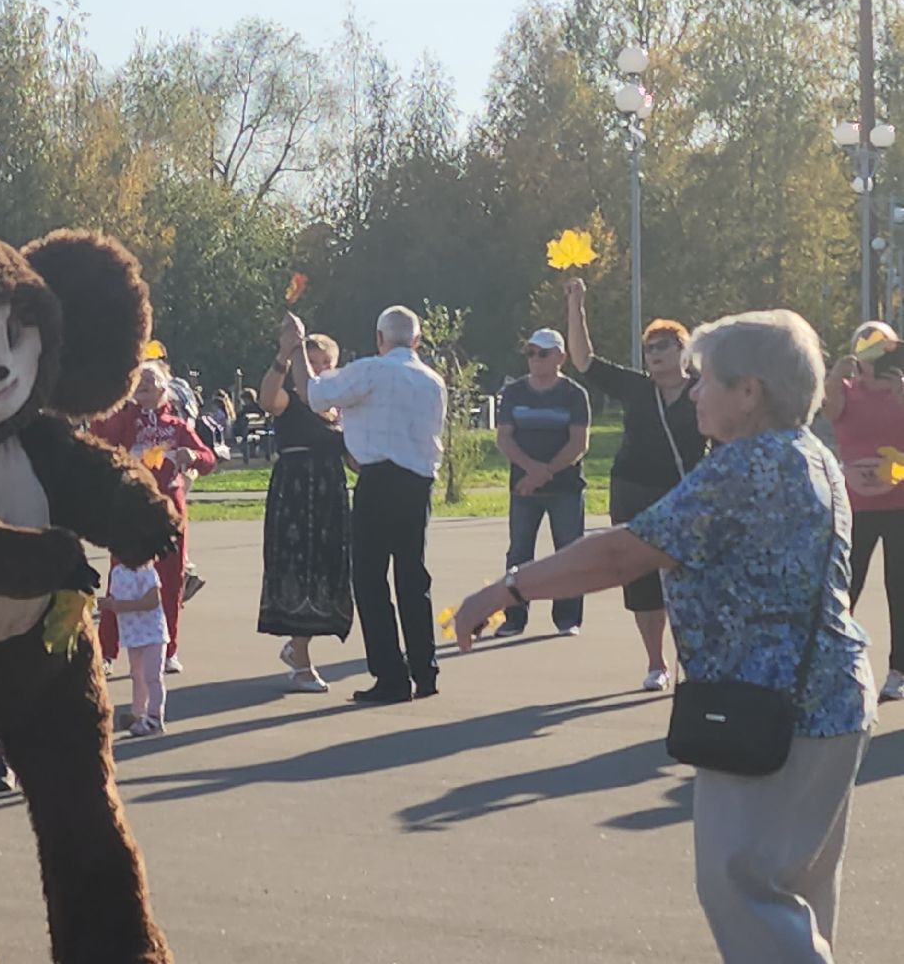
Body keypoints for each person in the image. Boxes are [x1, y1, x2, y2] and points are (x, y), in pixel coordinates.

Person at [455, 309, 876, 963]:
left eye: (707, 379)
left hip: (769, 713)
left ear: (749, 392)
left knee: (742, 889)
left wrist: (506, 589)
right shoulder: (811, 455)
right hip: (831, 702)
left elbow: (623, 553)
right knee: (795, 888)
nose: (695, 391)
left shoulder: (746, 465)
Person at [287, 305, 446, 705]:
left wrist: (297, 347)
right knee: (413, 576)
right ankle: (425, 669)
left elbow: (311, 394)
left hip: (378, 480)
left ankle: (391, 676)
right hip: (418, 482)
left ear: (379, 339)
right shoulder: (433, 382)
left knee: (372, 581)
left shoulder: (370, 371)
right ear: (417, 341)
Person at [564, 277, 706, 691]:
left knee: (689, 578)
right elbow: (584, 360)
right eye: (649, 348)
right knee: (641, 578)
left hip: (684, 496)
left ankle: (696, 661)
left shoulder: (703, 391)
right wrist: (576, 305)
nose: (655, 353)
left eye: (664, 345)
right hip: (633, 492)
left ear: (684, 350)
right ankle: (656, 663)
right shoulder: (636, 387)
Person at [90, 359, 218, 673]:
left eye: (152, 378)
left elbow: (208, 459)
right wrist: (118, 404)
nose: (145, 382)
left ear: (165, 387)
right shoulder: (124, 419)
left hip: (170, 513)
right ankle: (106, 653)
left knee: (171, 583)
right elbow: (99, 436)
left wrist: (193, 456)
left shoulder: (177, 426)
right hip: (130, 511)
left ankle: (168, 650)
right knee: (121, 580)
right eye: (139, 378)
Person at [257, 329, 353, 694]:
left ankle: (297, 649)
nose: (318, 370)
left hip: (329, 493)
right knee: (299, 569)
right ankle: (300, 661)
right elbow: (267, 399)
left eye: (326, 363)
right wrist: (283, 355)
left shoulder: (339, 408)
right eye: (311, 362)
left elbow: (353, 457)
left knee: (324, 569)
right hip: (295, 492)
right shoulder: (292, 400)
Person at [821, 320, 904, 702]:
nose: (875, 358)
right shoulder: (845, 390)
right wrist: (833, 378)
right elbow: (829, 412)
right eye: (867, 348)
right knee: (844, 586)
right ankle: (834, 662)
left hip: (900, 503)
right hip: (855, 505)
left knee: (899, 587)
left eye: (884, 349)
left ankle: (899, 670)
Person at [494, 327, 591, 637]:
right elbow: (504, 438)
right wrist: (530, 470)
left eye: (543, 353)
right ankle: (514, 617)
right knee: (519, 553)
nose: (535, 359)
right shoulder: (514, 392)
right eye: (531, 353)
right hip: (523, 488)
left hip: (565, 489)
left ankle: (568, 618)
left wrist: (544, 472)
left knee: (569, 551)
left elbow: (579, 443)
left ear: (561, 357)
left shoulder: (574, 394)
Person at [105, 560, 168, 736]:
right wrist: (107, 604)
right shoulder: (117, 572)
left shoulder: (147, 572)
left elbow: (152, 601)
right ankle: (139, 713)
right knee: (137, 676)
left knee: (152, 677)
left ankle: (155, 718)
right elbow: (115, 599)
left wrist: (121, 606)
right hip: (132, 635)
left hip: (153, 634)